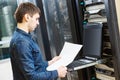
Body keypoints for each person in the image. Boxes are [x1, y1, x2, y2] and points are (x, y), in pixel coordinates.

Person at [9, 2, 67, 80]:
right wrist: (57, 73)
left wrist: (50, 62)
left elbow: (35, 65)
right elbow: (32, 77)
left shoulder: (25, 37)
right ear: (27, 17)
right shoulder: (21, 42)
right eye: (36, 19)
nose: (38, 23)